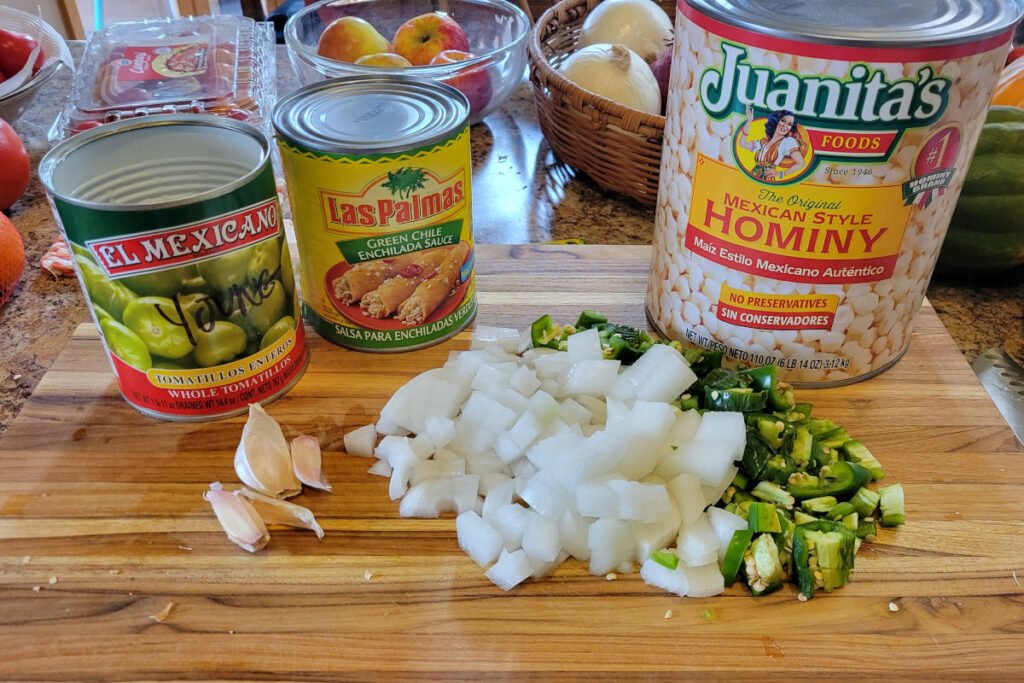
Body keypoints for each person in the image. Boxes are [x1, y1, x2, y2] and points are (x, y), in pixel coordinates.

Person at [738, 105, 807, 181]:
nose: (785, 126)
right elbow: (742, 144)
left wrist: (780, 174)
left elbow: (801, 163)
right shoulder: (763, 142)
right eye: (783, 121)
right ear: (776, 121)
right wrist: (749, 120)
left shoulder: (787, 142)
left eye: (789, 124)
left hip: (767, 179)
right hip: (753, 175)